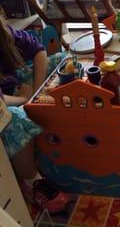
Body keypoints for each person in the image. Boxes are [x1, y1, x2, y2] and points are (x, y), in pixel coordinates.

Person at [0, 17, 69, 213]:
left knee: (63, 60)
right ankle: (31, 182)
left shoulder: (4, 32)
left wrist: (38, 92)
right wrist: (23, 99)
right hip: (5, 103)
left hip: (14, 88)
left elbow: (38, 50)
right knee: (14, 119)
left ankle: (62, 123)